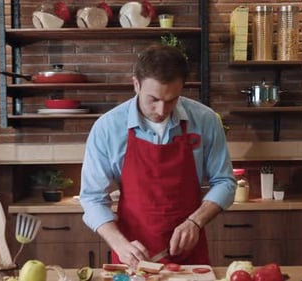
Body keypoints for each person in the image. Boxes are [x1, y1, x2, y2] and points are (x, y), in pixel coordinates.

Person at [79, 44, 235, 269]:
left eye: (172, 99)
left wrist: (195, 221)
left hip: (190, 255)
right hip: (132, 256)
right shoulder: (108, 127)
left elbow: (225, 182)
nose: (162, 110)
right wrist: (119, 243)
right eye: (153, 99)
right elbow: (92, 198)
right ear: (136, 84)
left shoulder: (205, 120)